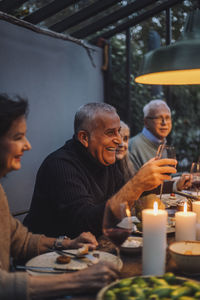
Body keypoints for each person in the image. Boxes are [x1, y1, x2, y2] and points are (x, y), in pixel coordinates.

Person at [0, 94, 120, 300]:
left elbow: (20, 240)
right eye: (17, 137)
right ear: (84, 138)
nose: (28, 145)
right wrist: (77, 281)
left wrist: (67, 244)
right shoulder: (60, 165)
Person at [24, 102, 177, 239]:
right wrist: (137, 184)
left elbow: (126, 193)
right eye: (110, 133)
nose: (118, 140)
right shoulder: (60, 166)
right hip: (48, 260)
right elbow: (85, 224)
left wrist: (173, 184)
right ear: (84, 138)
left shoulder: (106, 160)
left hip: (89, 250)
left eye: (118, 131)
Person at [128, 99, 172, 172]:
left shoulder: (164, 145)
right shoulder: (133, 146)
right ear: (146, 122)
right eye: (159, 118)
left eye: (167, 118)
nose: (164, 123)